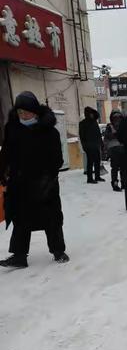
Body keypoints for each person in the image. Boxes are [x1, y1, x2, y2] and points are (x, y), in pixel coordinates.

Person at [0, 91, 69, 268]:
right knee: (21, 219)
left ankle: (58, 251)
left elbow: (57, 159)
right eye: (20, 112)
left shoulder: (49, 132)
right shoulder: (12, 129)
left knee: (51, 219)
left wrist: (48, 177)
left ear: (35, 112)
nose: (23, 116)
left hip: (44, 183)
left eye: (27, 112)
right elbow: (6, 154)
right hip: (20, 183)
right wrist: (3, 173)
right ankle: (19, 256)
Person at [79, 106, 104, 184]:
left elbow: (98, 134)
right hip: (89, 145)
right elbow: (82, 136)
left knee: (97, 160)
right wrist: (84, 146)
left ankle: (97, 176)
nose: (92, 115)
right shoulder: (83, 123)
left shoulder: (94, 122)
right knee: (90, 162)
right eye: (91, 113)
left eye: (92, 114)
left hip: (96, 144)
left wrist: (101, 143)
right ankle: (89, 178)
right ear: (87, 114)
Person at [104, 110, 125, 192]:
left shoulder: (109, 126)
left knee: (115, 168)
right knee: (123, 167)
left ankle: (115, 182)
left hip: (113, 149)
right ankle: (124, 183)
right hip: (122, 148)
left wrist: (106, 150)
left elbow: (106, 139)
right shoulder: (123, 125)